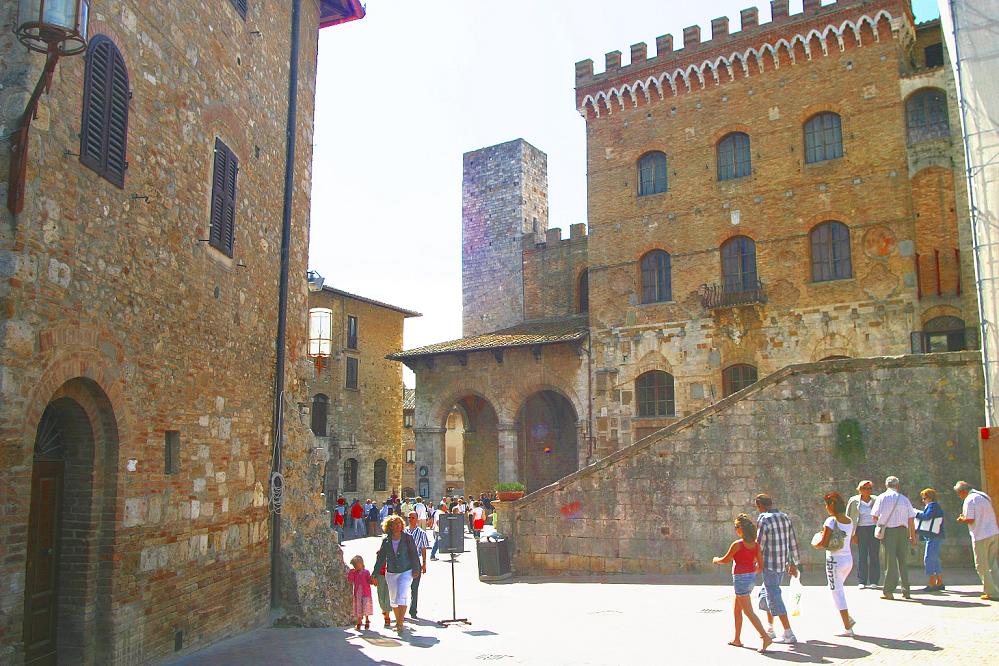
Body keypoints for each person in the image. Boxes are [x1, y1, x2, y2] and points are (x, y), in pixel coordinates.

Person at [712, 513, 773, 654]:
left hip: (740, 579)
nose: (735, 530)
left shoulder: (738, 544)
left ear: (741, 529)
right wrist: (751, 573)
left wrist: (715, 560)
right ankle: (737, 639)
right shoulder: (755, 545)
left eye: (736, 527)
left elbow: (725, 560)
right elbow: (760, 565)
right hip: (750, 578)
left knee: (748, 611)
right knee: (737, 609)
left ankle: (765, 637)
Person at [754, 494, 799, 644]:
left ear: (760, 505)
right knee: (766, 594)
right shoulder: (784, 517)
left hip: (769, 564)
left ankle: (788, 632)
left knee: (773, 595)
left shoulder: (763, 519)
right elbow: (792, 540)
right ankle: (770, 629)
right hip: (782, 563)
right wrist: (794, 563)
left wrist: (755, 562)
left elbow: (759, 544)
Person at [813, 492, 856, 637]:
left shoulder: (831, 521)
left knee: (837, 593)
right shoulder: (849, 520)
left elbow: (823, 543)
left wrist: (815, 544)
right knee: (838, 591)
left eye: (827, 504)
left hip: (834, 561)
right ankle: (847, 619)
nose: (826, 508)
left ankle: (847, 627)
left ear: (831, 505)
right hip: (848, 560)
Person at [372, 515, 421, 633]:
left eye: (400, 523)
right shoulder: (386, 540)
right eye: (396, 524)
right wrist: (374, 574)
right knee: (393, 599)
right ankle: (399, 621)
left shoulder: (407, 538)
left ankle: (400, 624)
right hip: (391, 572)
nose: (398, 525)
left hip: (406, 570)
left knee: (402, 596)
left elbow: (414, 554)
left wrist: (416, 569)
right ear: (390, 526)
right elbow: (381, 558)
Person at [871, 475, 916, 600]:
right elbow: (911, 519)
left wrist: (881, 523)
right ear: (898, 485)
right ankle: (906, 591)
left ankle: (889, 591)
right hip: (903, 532)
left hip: (889, 532)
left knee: (890, 562)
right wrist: (913, 536)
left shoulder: (881, 498)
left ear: (886, 485)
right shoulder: (904, 499)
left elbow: (874, 516)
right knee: (903, 561)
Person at [954, 480, 999, 600]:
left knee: (981, 566)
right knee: (992, 564)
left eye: (959, 494)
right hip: (993, 532)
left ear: (963, 491)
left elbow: (970, 519)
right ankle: (997, 588)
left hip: (981, 535)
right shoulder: (984, 496)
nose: (959, 496)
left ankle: (992, 593)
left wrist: (961, 519)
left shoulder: (969, 500)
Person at [846, 480, 880, 589]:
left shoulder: (876, 500)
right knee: (862, 555)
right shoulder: (854, 500)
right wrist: (852, 534)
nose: (868, 490)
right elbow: (849, 517)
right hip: (860, 530)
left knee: (874, 555)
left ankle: (874, 580)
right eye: (865, 488)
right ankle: (862, 580)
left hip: (874, 529)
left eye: (870, 488)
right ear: (860, 489)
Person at [914, 488, 945, 592]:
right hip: (936, 535)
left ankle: (932, 583)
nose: (923, 500)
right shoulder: (935, 506)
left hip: (933, 536)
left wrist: (916, 513)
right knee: (935, 559)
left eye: (924, 498)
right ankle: (939, 582)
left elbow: (927, 517)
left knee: (928, 559)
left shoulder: (932, 506)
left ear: (929, 497)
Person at [405, 511, 430, 618]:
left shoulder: (421, 533)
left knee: (414, 588)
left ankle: (413, 610)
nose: (410, 519)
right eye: (409, 517)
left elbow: (423, 549)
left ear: (417, 519)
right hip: (404, 562)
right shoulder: (403, 531)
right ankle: (402, 610)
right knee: (403, 588)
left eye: (412, 517)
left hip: (415, 562)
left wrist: (424, 564)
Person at [346, 555, 373, 631]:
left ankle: (367, 620)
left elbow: (369, 581)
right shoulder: (354, 573)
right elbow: (350, 580)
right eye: (354, 566)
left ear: (361, 564)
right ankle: (359, 621)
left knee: (366, 607)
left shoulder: (366, 572)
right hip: (358, 594)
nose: (356, 567)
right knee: (358, 608)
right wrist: (350, 573)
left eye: (357, 565)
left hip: (366, 593)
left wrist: (372, 580)